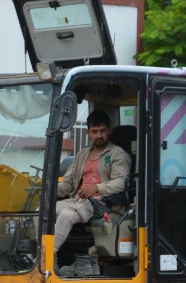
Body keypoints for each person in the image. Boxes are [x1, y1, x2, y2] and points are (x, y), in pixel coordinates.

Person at [53, 111, 131, 259]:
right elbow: (68, 182)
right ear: (88, 132)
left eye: (102, 131)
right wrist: (48, 192)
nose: (99, 135)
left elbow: (122, 182)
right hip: (77, 200)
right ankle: (40, 250)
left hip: (100, 202)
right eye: (95, 132)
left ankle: (47, 256)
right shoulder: (81, 155)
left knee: (67, 215)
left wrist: (97, 187)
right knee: (41, 211)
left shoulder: (118, 154)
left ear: (109, 131)